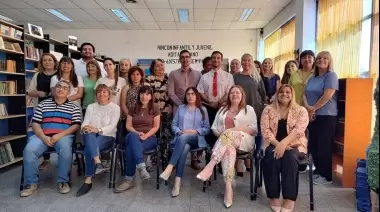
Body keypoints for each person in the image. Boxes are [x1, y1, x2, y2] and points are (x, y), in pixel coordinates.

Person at [196, 85, 258, 208]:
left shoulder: (248, 109)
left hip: (244, 141)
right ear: (229, 96)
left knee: (228, 134)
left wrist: (231, 131)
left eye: (237, 93)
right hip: (225, 144)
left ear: (242, 95)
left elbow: (253, 130)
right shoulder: (223, 109)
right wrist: (222, 135)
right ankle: (228, 187)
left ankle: (211, 165)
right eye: (232, 93)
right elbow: (214, 127)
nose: (234, 95)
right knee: (229, 150)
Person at [20, 80, 81, 197]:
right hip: (42, 135)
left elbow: (76, 125)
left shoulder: (74, 107)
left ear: (68, 92)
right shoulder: (43, 104)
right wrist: (43, 137)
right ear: (54, 89)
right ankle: (30, 183)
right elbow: (35, 123)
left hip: (63, 135)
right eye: (59, 86)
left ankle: (63, 181)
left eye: (64, 88)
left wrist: (59, 135)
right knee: (29, 150)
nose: (61, 89)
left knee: (65, 149)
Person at [261, 84, 309, 212]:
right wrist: (278, 144)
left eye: (288, 92)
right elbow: (265, 131)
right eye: (281, 92)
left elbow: (299, 130)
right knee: (271, 156)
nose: (284, 94)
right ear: (277, 94)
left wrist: (284, 144)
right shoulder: (268, 110)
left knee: (290, 156)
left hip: (295, 144)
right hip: (273, 143)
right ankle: (273, 197)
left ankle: (289, 198)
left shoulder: (301, 110)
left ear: (292, 94)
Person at [159, 87, 210, 197]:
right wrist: (179, 132)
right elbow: (174, 125)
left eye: (192, 94)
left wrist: (194, 131)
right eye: (188, 94)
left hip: (197, 139)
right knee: (185, 146)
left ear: (196, 96)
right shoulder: (181, 108)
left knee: (185, 137)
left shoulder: (202, 109)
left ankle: (170, 167)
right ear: (185, 96)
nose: (190, 96)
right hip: (182, 140)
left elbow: (207, 128)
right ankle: (177, 182)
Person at [76, 84, 120, 197]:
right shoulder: (91, 106)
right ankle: (97, 162)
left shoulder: (115, 108)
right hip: (91, 135)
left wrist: (98, 129)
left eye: (105, 92)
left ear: (109, 95)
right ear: (96, 95)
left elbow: (112, 126)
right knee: (88, 133)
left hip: (107, 136)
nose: (101, 94)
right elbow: (85, 122)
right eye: (99, 92)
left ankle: (88, 180)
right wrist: (85, 127)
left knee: (89, 148)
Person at [115, 85, 160, 193]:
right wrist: (137, 132)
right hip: (134, 135)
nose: (144, 96)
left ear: (151, 96)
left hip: (149, 137)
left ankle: (129, 180)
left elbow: (156, 126)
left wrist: (146, 135)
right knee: (131, 136)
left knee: (131, 148)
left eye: (147, 94)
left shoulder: (155, 107)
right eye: (142, 93)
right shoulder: (133, 107)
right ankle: (141, 167)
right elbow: (128, 126)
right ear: (139, 94)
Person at [304, 51, 338, 185]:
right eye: (319, 58)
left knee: (324, 146)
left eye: (325, 58)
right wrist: (308, 108)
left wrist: (313, 109)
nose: (321, 60)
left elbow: (327, 95)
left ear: (329, 61)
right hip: (312, 115)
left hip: (326, 116)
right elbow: (304, 95)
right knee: (314, 145)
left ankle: (326, 176)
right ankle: (318, 171)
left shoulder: (331, 76)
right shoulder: (313, 78)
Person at [197, 51, 234, 173]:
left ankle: (221, 162)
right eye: (213, 58)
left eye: (218, 58)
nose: (216, 60)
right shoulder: (204, 77)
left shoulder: (228, 76)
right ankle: (211, 162)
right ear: (211, 60)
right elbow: (200, 91)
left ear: (221, 60)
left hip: (223, 109)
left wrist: (219, 102)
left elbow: (229, 91)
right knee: (211, 136)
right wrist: (209, 101)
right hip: (209, 109)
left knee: (222, 134)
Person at [233, 53, 266, 177]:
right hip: (240, 111)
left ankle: (253, 160)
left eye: (249, 60)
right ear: (241, 62)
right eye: (244, 60)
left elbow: (263, 94)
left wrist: (262, 109)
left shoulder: (257, 77)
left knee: (254, 135)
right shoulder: (236, 76)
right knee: (240, 136)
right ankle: (239, 164)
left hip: (255, 110)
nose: (246, 62)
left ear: (252, 62)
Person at [168, 50, 202, 167]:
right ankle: (177, 159)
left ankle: (194, 159)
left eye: (187, 57)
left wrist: (192, 104)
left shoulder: (198, 74)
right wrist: (182, 105)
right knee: (179, 132)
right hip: (178, 108)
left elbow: (199, 92)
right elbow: (171, 93)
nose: (185, 59)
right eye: (182, 57)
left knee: (193, 131)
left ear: (191, 59)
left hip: (194, 109)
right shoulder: (173, 74)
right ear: (179, 59)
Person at [26, 53, 58, 171]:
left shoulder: (59, 75)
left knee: (54, 130)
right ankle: (46, 158)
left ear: (54, 62)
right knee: (43, 131)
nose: (47, 62)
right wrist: (38, 93)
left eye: (50, 60)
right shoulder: (37, 75)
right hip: (41, 108)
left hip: (57, 109)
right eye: (44, 60)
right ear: (41, 63)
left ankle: (61, 155)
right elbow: (30, 92)